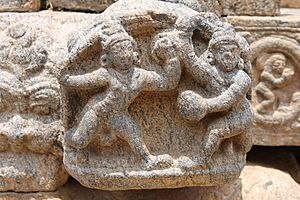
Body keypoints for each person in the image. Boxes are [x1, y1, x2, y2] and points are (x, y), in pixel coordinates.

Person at [61, 25, 181, 169]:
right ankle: (65, 139)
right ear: (108, 57)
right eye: (118, 51)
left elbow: (167, 83)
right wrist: (65, 76)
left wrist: (171, 58)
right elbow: (80, 82)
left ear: (135, 53)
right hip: (97, 111)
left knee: (133, 133)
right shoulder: (106, 74)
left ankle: (147, 161)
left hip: (118, 114)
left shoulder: (140, 76)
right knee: (80, 140)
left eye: (128, 49)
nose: (124, 55)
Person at [178, 30, 252, 164]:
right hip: (220, 113)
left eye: (234, 50)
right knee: (229, 143)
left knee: (217, 131)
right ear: (213, 55)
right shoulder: (211, 73)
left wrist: (204, 105)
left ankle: (201, 161)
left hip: (240, 114)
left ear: (239, 54)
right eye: (222, 50)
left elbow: (227, 101)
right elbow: (191, 62)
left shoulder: (242, 78)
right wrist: (185, 36)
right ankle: (226, 146)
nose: (229, 55)